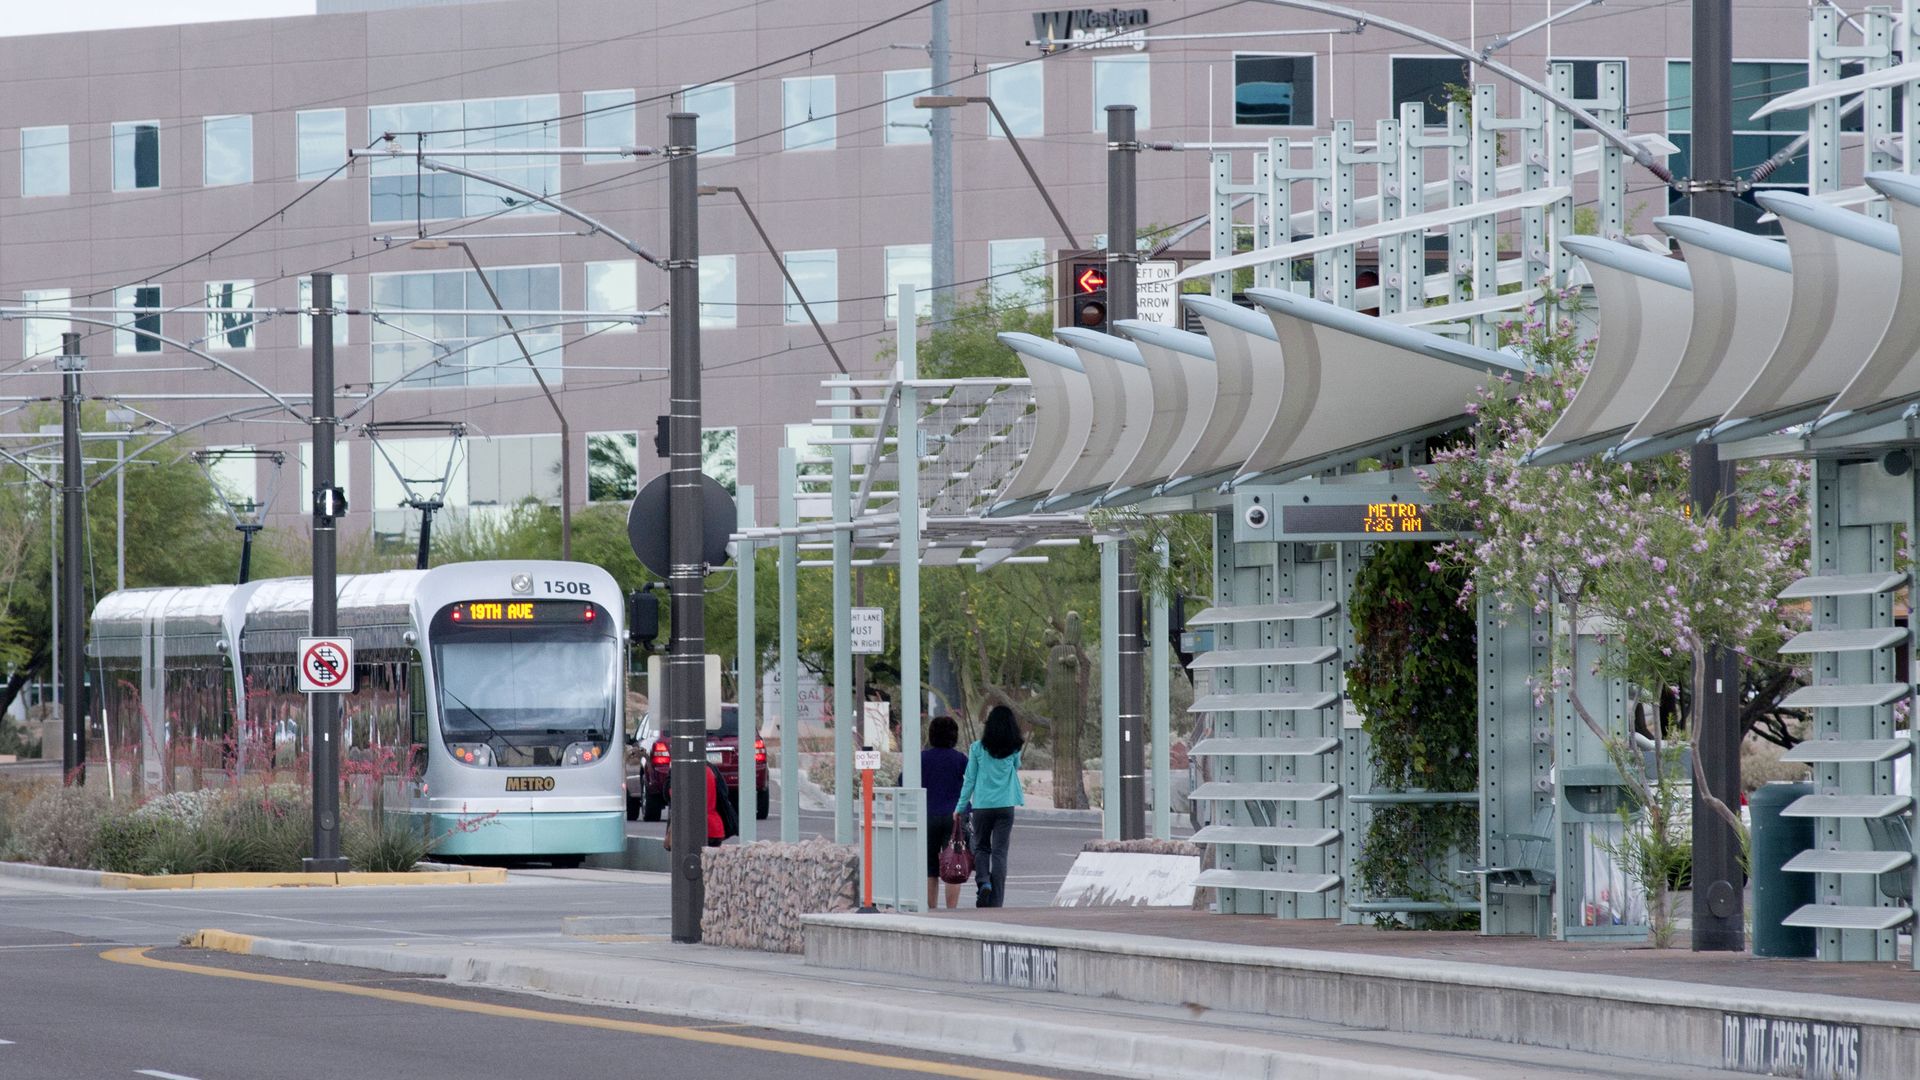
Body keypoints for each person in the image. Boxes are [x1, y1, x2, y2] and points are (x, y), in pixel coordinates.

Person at [957, 705, 1024, 908]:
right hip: (1006, 806)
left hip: (982, 806)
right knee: (1000, 852)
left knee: (982, 847)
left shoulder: (977, 748)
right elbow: (1016, 766)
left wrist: (960, 807)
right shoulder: (1014, 748)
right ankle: (997, 900)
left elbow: (970, 779)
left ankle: (984, 881)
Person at [921, 715, 970, 909]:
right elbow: (970, 782)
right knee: (954, 865)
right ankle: (952, 910)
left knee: (930, 869)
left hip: (927, 815)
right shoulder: (959, 759)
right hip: (955, 816)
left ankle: (930, 909)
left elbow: (902, 781)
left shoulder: (922, 758)